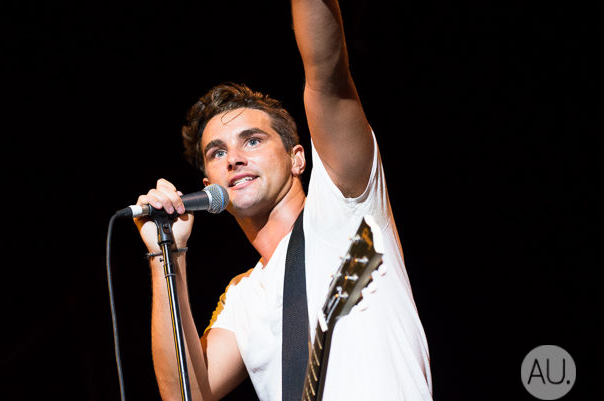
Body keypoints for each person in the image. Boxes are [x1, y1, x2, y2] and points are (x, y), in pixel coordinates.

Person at [133, 1, 432, 400]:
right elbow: (183, 394)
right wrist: (166, 254)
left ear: (297, 159)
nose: (234, 159)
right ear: (208, 185)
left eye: (252, 141)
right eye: (217, 152)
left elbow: (326, 72)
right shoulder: (242, 297)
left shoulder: (346, 204)